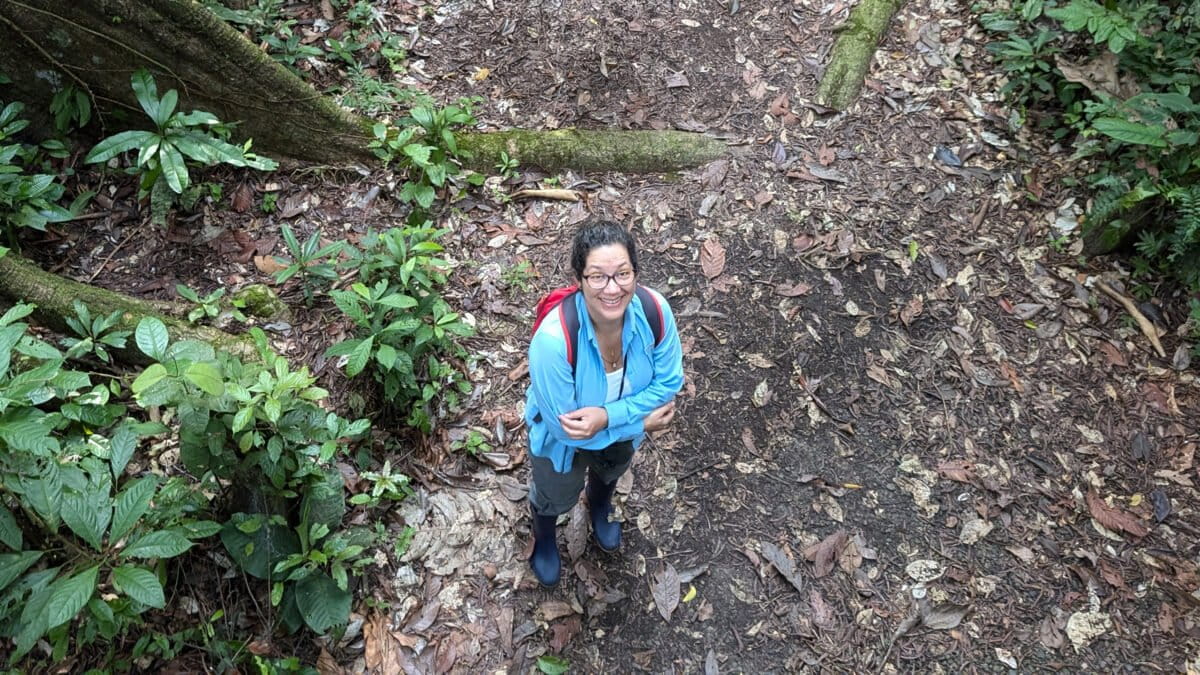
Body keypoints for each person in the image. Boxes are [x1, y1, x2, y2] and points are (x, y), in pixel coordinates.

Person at [524, 220, 684, 587]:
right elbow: (568, 431)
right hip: (561, 446)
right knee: (554, 492)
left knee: (611, 470)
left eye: (622, 274)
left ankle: (599, 507)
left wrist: (608, 417)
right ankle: (545, 535)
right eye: (597, 277)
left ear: (636, 273)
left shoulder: (654, 311)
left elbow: (670, 382)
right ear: (579, 279)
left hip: (619, 433)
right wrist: (638, 423)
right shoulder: (553, 342)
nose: (612, 288)